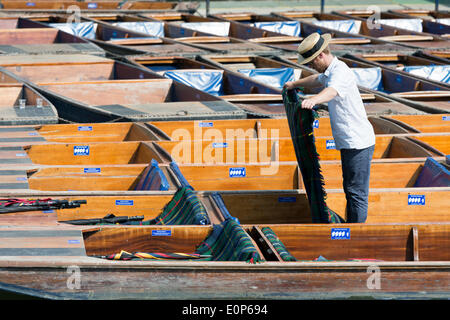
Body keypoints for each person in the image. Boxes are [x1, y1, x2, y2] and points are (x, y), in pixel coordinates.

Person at [283, 32, 375, 223]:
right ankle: (352, 229)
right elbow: (317, 80)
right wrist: (293, 84)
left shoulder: (340, 72)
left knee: (356, 192)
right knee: (350, 189)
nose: (310, 66)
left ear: (321, 56)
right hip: (349, 142)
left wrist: (313, 100)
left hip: (357, 142)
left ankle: (355, 235)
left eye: (311, 62)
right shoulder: (330, 71)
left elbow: (331, 91)